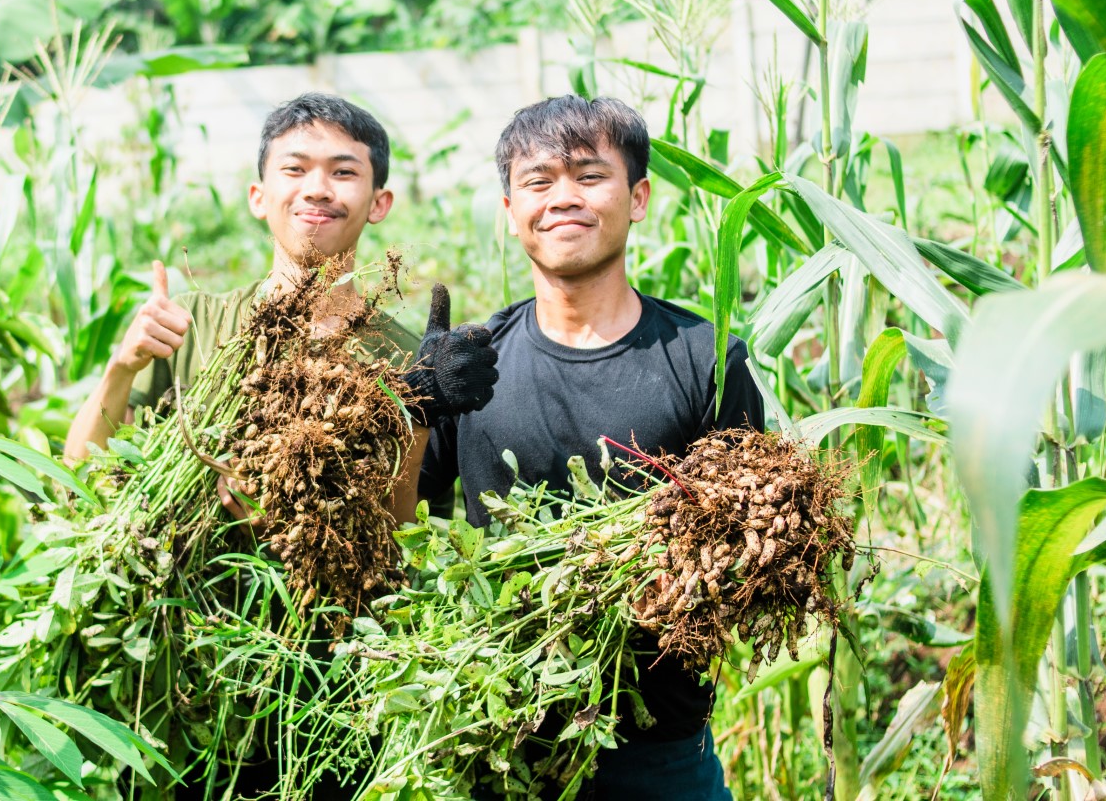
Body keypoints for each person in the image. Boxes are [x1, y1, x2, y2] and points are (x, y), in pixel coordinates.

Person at [418, 95, 762, 800]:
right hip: (499, 738)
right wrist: (416, 407)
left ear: (637, 198)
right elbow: (394, 522)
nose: (563, 199)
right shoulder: (470, 367)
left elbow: (752, 551)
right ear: (510, 209)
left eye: (589, 176)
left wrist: (673, 588)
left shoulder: (704, 358)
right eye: (539, 182)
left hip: (659, 752)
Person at [63, 89, 499, 520]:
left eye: (343, 173)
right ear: (258, 196)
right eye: (294, 169)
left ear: (378, 203)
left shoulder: (409, 361)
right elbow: (79, 482)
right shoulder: (189, 323)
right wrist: (122, 367)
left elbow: (409, 538)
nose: (316, 190)